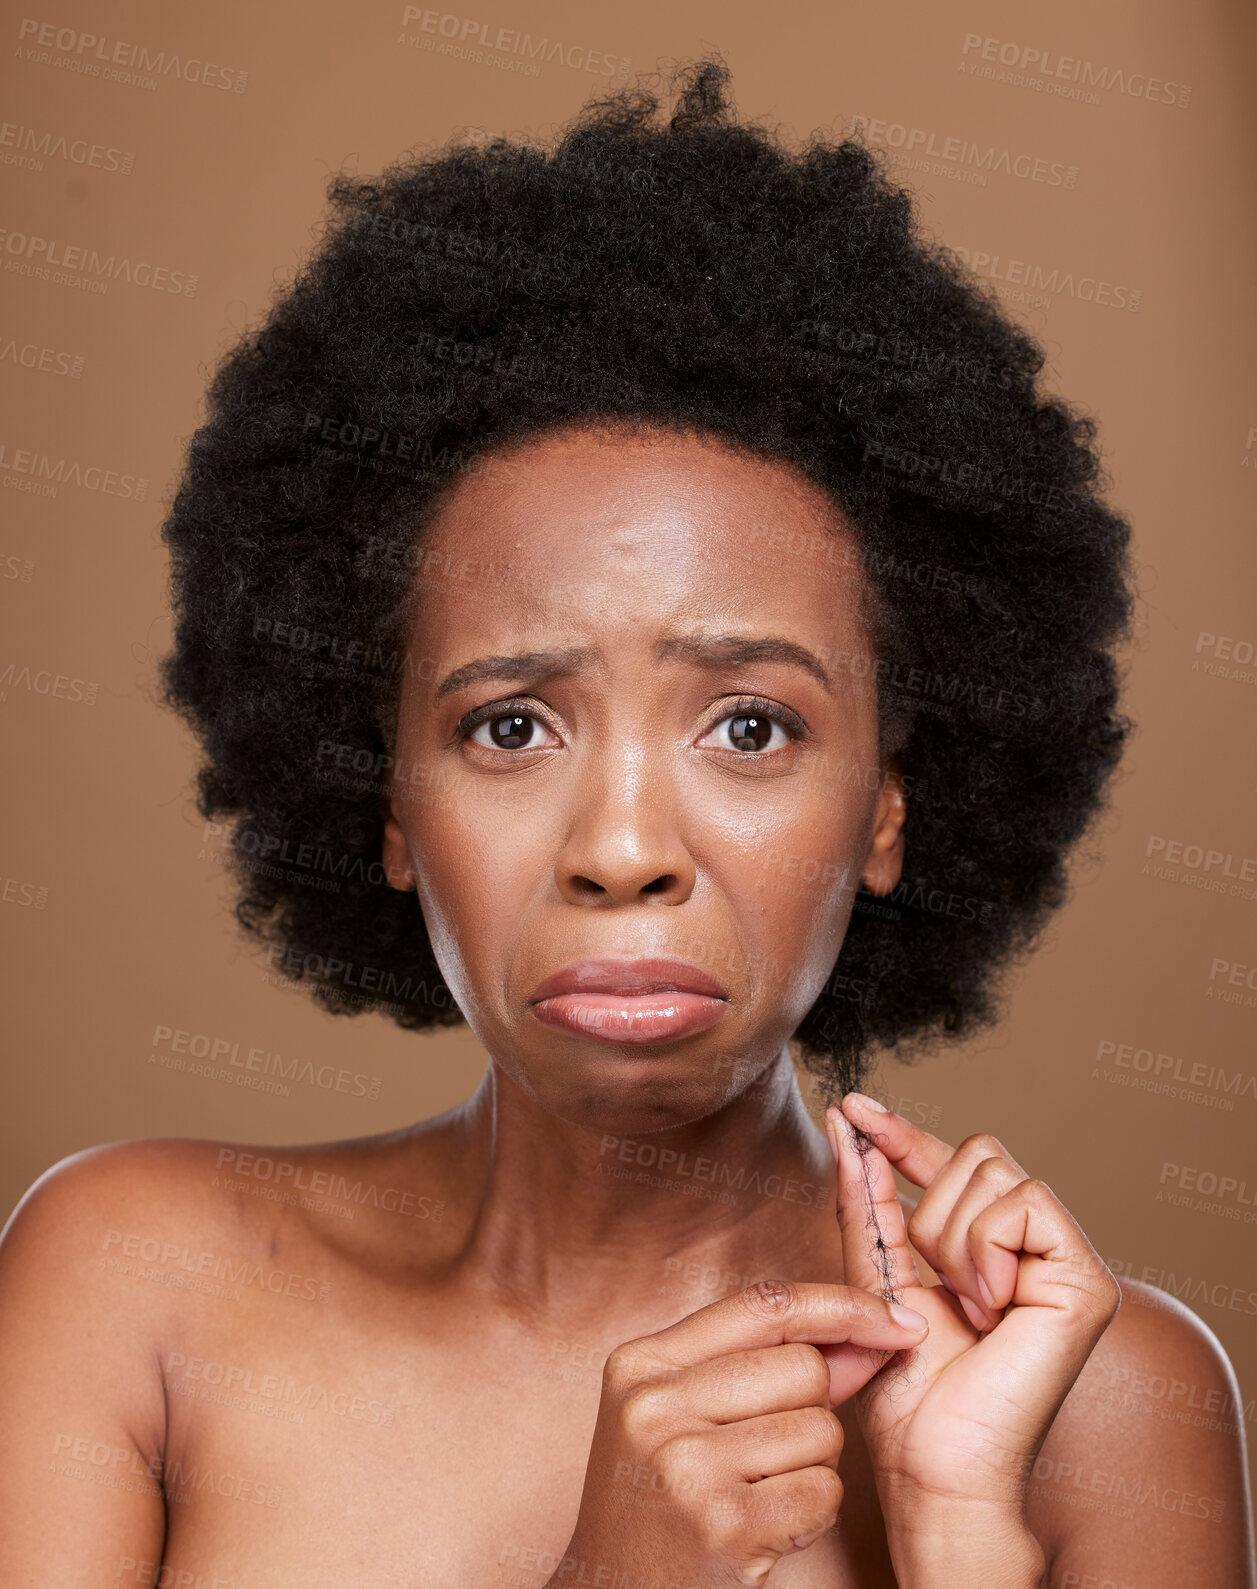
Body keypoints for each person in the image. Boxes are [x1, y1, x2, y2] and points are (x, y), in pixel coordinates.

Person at [1, 56, 1251, 1589]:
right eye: (509, 724)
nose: (622, 846)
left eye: (749, 725)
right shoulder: (132, 1284)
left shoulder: (1094, 1399)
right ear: (382, 796)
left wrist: (952, 1533)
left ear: (889, 807)